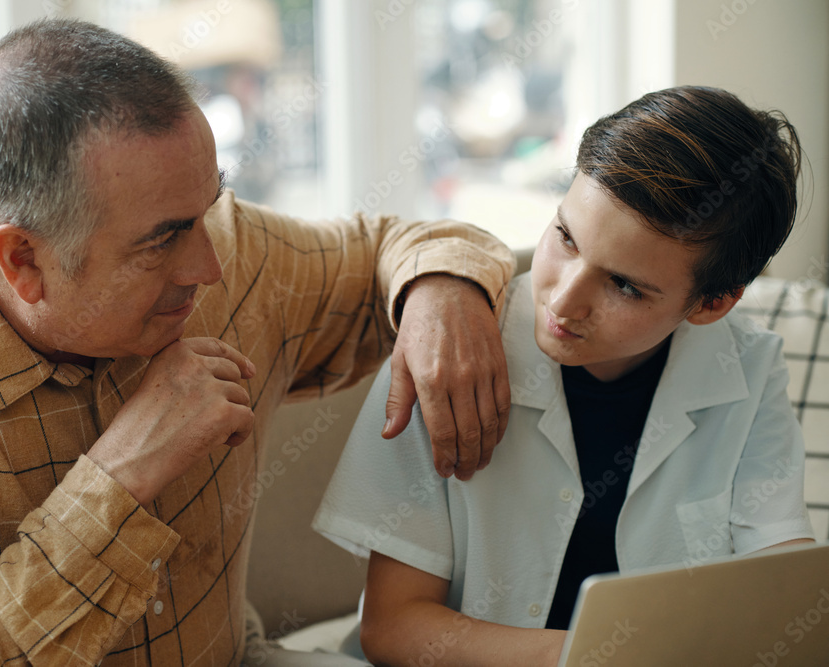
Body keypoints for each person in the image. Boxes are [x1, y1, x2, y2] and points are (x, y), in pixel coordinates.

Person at [0, 19, 518, 666]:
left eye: (207, 209)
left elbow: (394, 246)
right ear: (22, 261)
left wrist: (442, 288)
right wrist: (121, 479)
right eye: (162, 240)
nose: (208, 268)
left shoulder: (218, 243)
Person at [313, 86, 817, 666]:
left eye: (624, 285)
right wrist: (598, 657)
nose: (563, 299)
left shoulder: (749, 369)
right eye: (565, 236)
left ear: (712, 304)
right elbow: (392, 627)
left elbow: (780, 587)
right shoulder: (445, 349)